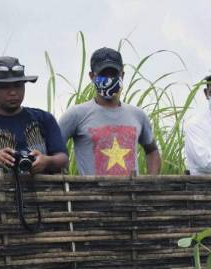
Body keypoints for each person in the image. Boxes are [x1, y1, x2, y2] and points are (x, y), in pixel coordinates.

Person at [58, 47, 161, 176]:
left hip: (132, 195)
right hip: (90, 196)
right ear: (92, 76)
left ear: (122, 75)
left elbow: (152, 151)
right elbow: (53, 150)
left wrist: (150, 182)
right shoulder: (76, 115)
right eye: (103, 74)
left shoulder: (138, 115)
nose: (109, 79)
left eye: (113, 74)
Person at [0, 56, 68, 173]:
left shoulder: (44, 119)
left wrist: (47, 161)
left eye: (18, 86)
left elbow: (62, 158)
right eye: (4, 87)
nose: (13, 92)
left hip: (46, 190)